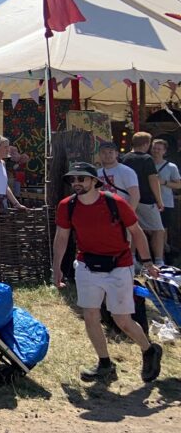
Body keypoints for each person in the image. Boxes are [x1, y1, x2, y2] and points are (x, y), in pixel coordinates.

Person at [52, 162, 162, 383]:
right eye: (73, 180)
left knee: (121, 319)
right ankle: (105, 364)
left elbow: (137, 233)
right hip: (86, 264)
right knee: (90, 315)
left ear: (94, 181)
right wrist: (57, 268)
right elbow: (61, 237)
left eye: (81, 179)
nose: (76, 183)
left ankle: (149, 350)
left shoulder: (115, 202)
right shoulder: (67, 206)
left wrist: (148, 262)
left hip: (119, 265)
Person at [121, 132, 166, 264]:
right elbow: (153, 180)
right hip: (146, 199)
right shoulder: (147, 159)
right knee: (158, 230)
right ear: (146, 144)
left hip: (128, 199)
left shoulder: (124, 158)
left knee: (134, 228)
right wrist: (159, 200)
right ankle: (158, 260)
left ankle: (133, 257)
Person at [152, 138, 180, 265]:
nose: (156, 151)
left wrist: (164, 182)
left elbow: (178, 185)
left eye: (159, 149)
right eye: (154, 148)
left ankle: (162, 255)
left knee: (163, 229)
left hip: (166, 202)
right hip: (149, 202)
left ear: (164, 151)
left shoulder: (171, 167)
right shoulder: (147, 163)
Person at [96, 141, 139, 209]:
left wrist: (129, 215)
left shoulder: (126, 171)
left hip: (121, 211)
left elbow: (135, 196)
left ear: (116, 154)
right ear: (99, 155)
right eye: (104, 152)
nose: (107, 155)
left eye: (110, 152)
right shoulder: (97, 173)